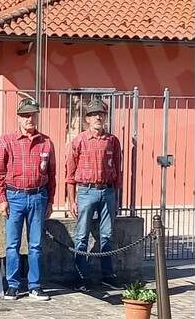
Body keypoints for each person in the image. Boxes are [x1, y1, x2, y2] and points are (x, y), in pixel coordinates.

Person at [0, 97, 56, 301]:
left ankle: (35, 286)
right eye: (25, 115)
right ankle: (13, 285)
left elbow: (52, 175)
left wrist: (50, 201)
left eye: (33, 114)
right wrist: (1, 198)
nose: (30, 119)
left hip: (38, 196)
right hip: (14, 197)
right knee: (12, 244)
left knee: (36, 244)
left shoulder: (46, 142)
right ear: (18, 118)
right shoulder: (6, 141)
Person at [65, 99, 122, 291]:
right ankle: (81, 276)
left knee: (107, 235)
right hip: (86, 191)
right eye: (94, 114)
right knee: (81, 236)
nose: (98, 117)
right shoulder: (78, 141)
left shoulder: (112, 141)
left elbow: (118, 168)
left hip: (107, 191)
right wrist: (72, 201)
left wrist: (116, 195)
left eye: (101, 114)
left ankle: (108, 275)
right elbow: (70, 174)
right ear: (87, 119)